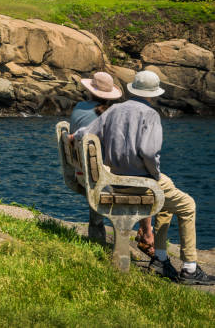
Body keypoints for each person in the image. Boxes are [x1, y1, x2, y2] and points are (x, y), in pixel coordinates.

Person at [69, 70, 215, 285]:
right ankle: (190, 269)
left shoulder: (115, 109)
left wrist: (72, 136)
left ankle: (161, 259)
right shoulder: (151, 115)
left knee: (168, 196)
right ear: (153, 93)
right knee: (187, 205)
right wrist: (154, 175)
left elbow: (86, 132)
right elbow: (148, 152)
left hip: (113, 178)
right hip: (136, 183)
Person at [69, 72, 122, 243]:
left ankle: (96, 235)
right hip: (98, 177)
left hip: (80, 173)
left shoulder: (78, 107)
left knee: (98, 172)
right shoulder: (109, 116)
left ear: (91, 90)